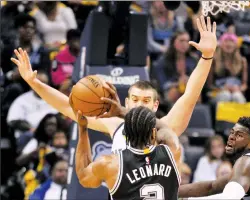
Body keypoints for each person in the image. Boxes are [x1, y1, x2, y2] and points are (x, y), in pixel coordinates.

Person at [11, 16, 217, 153]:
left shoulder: (169, 126)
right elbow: (68, 106)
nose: (140, 105)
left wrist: (207, 57)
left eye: (146, 101)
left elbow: (190, 94)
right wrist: (34, 82)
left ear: (155, 106)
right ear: (126, 102)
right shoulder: (115, 125)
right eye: (135, 100)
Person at [76, 106, 181, 200]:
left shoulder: (110, 164)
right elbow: (165, 128)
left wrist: (83, 129)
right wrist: (122, 111)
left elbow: (84, 177)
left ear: (125, 136)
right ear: (153, 134)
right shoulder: (173, 151)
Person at [178, 116, 250, 200]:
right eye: (232, 132)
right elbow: (211, 187)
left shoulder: (246, 162)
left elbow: (229, 197)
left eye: (239, 135)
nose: (231, 137)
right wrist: (171, 191)